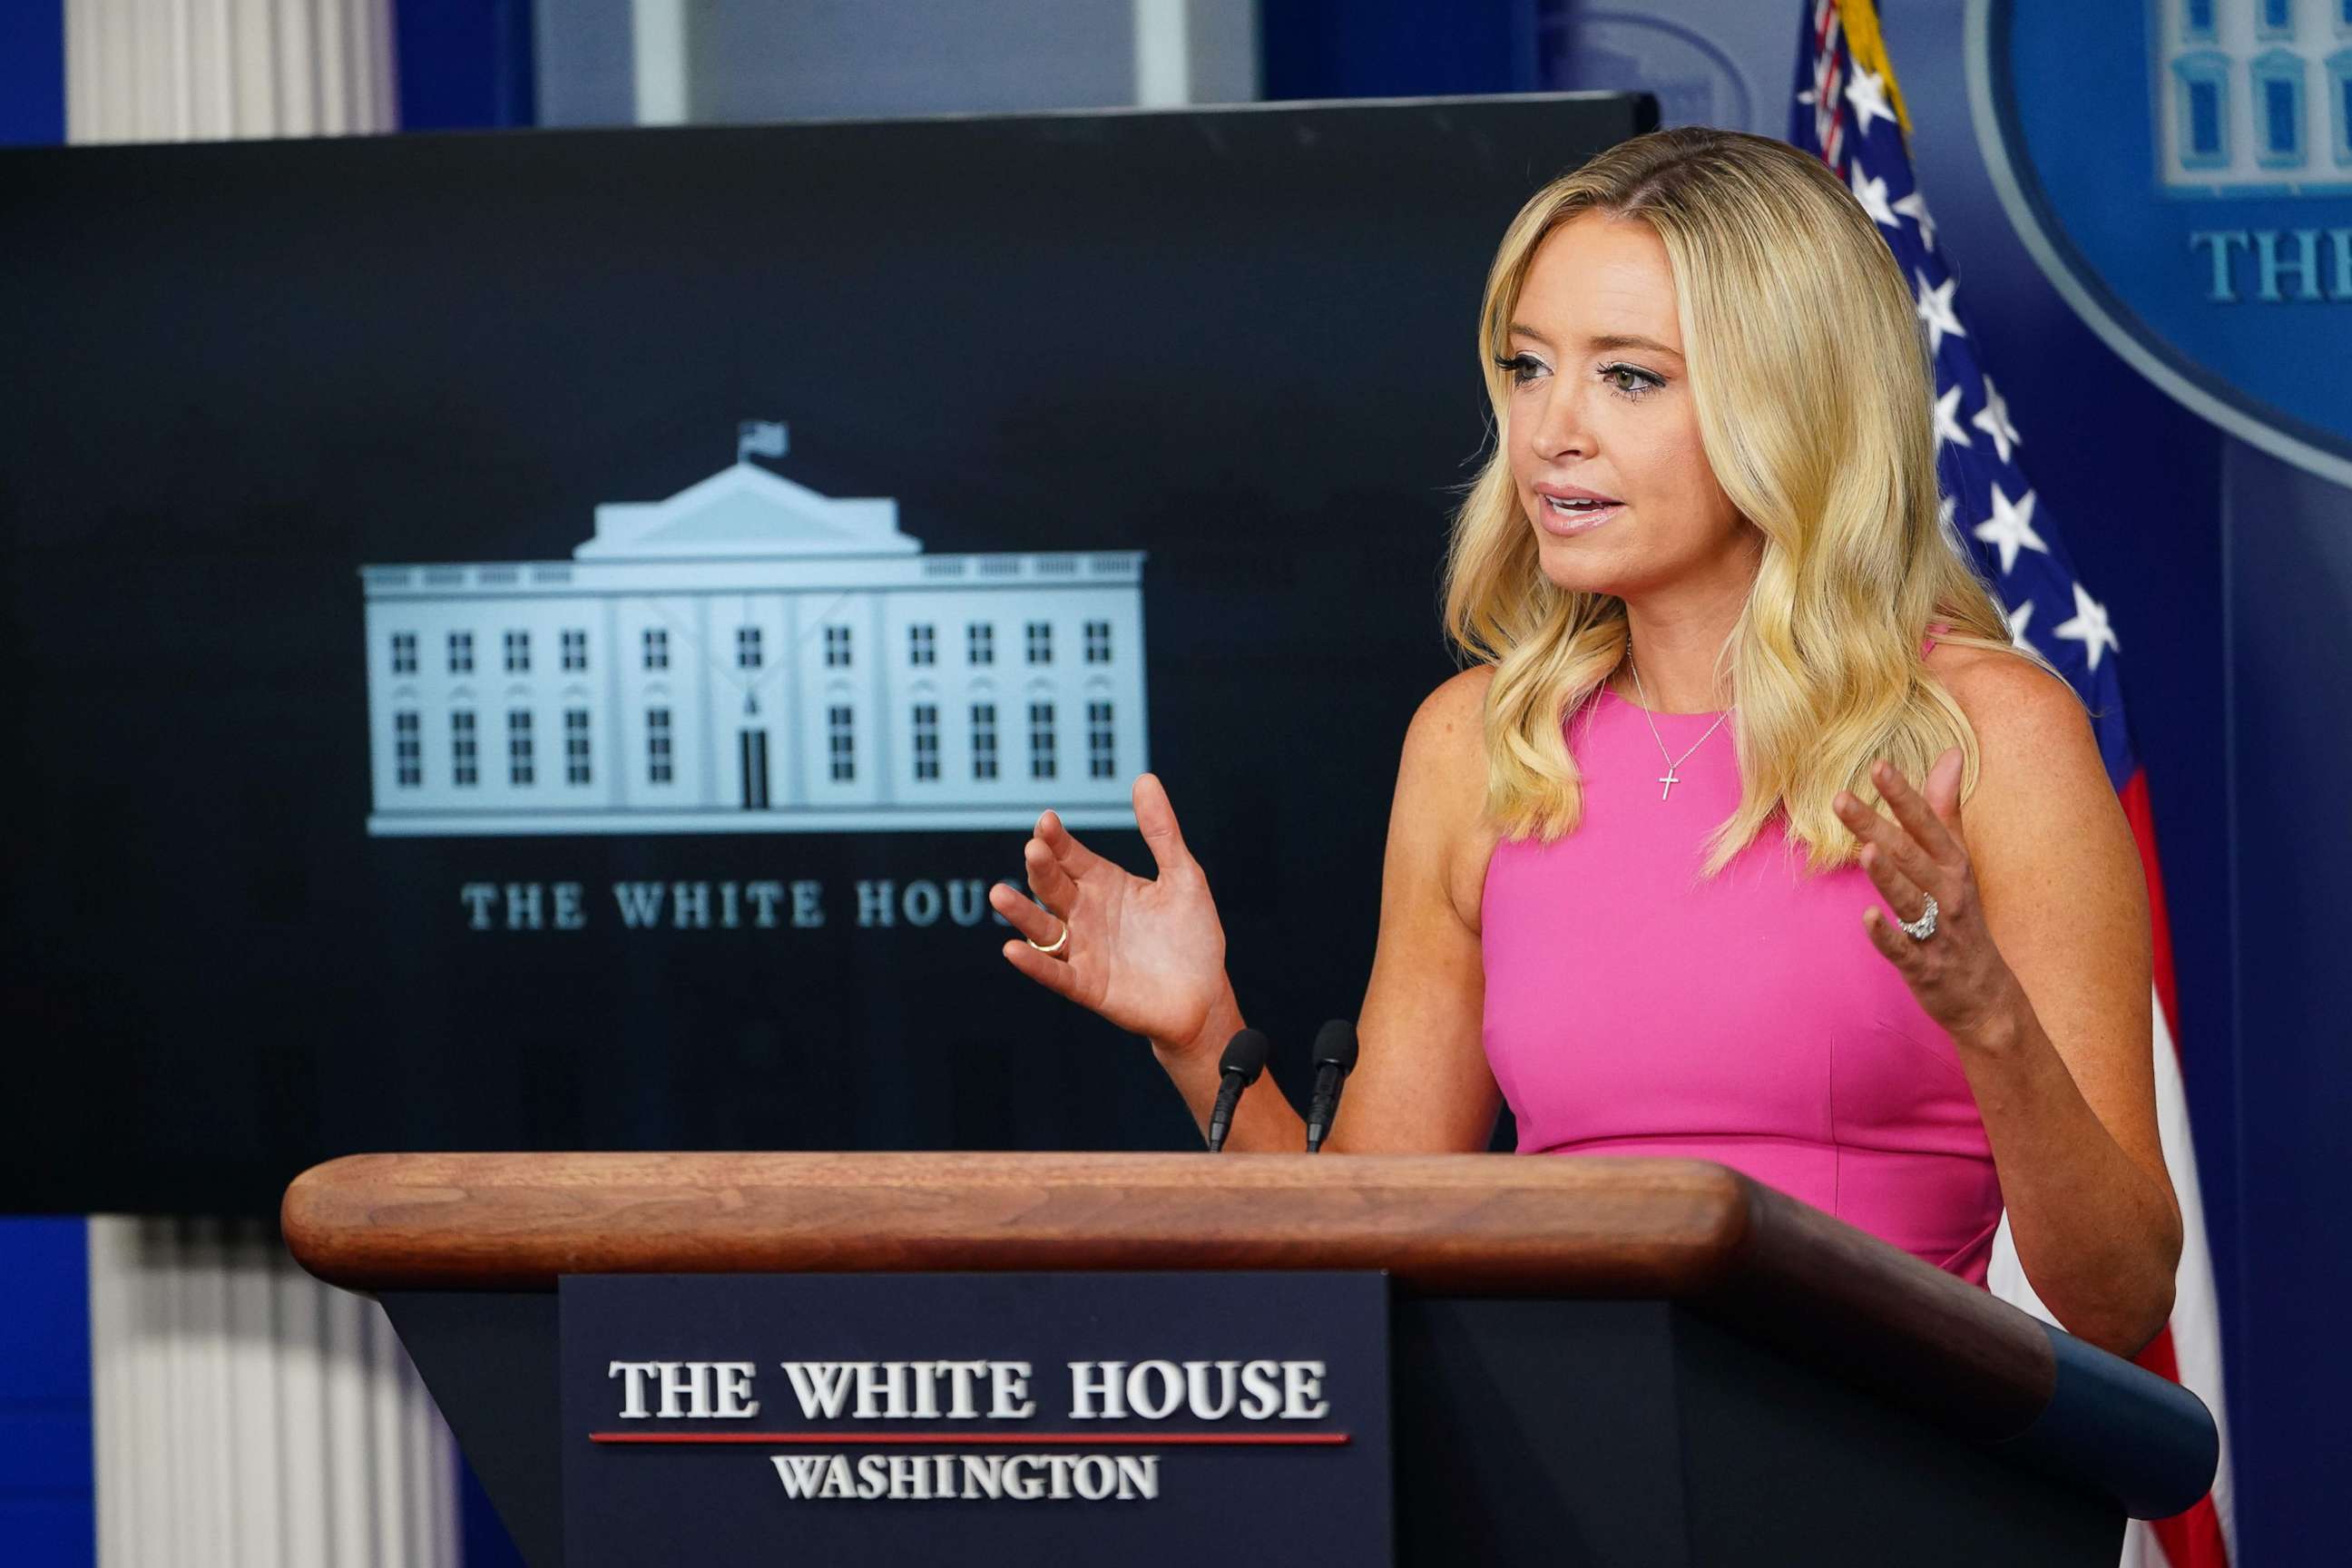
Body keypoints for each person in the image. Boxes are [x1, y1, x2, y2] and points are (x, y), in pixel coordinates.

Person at [986, 126, 2180, 1359]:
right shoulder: (1480, 746)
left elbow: (2120, 1298)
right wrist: (1198, 1030)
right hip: (1567, 1476)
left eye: (1629, 376)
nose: (1550, 431)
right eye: (1526, 366)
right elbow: (1375, 1245)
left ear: (1792, 400)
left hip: (1884, 1467)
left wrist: (1993, 1020)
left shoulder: (1987, 731)